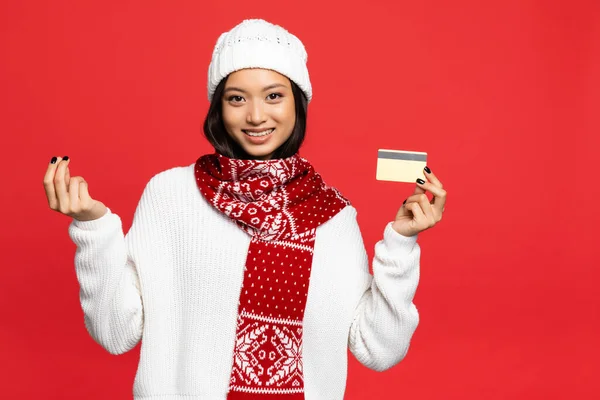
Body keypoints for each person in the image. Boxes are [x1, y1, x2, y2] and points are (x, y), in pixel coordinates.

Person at [43, 18, 447, 400]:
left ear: (297, 104)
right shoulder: (170, 195)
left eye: (274, 96)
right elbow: (115, 332)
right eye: (237, 99)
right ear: (218, 107)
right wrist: (93, 229)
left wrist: (401, 245)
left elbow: (379, 350)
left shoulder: (331, 215)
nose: (256, 116)